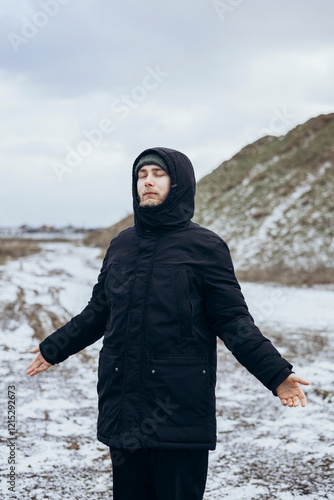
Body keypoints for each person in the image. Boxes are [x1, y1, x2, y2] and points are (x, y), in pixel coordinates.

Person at [27, 147, 310, 500]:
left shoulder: (205, 247)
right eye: (141, 175)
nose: (147, 181)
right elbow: (98, 312)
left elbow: (233, 320)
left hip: (178, 409)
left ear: (179, 184)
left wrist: (276, 374)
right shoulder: (121, 245)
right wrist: (54, 347)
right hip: (123, 408)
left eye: (158, 174)